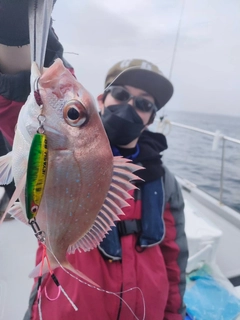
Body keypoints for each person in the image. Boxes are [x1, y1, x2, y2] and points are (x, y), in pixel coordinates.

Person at [24, 59, 188, 320]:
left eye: (144, 104)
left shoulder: (164, 180)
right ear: (101, 100)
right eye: (121, 95)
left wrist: (174, 314)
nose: (130, 107)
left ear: (151, 119)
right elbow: (24, 128)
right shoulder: (55, 141)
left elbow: (173, 257)